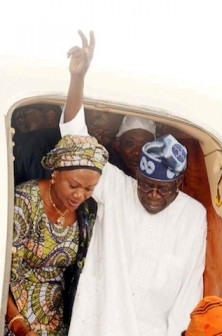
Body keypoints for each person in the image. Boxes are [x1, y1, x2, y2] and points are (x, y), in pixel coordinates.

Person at [63, 34, 208, 336]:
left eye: (163, 189)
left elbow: (189, 288)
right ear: (138, 177)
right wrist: (77, 79)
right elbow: (75, 139)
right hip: (98, 326)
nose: (153, 194)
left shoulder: (193, 215)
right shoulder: (117, 188)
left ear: (179, 183)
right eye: (146, 185)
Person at [5, 30, 108, 336]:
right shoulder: (24, 203)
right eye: (74, 185)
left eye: (89, 189)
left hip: (57, 321)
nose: (80, 195)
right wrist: (17, 323)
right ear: (56, 172)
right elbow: (4, 272)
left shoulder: (87, 212)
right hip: (12, 315)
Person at [12, 104, 62, 185]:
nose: (19, 120)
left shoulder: (33, 143)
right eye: (17, 116)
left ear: (50, 116)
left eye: (25, 113)